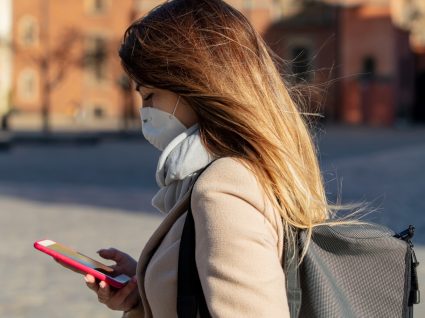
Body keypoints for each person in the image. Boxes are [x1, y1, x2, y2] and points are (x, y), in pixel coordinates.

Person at [81, 0, 335, 316]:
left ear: (192, 85)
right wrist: (144, 291)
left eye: (149, 95)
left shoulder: (224, 190)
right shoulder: (249, 168)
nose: (144, 111)